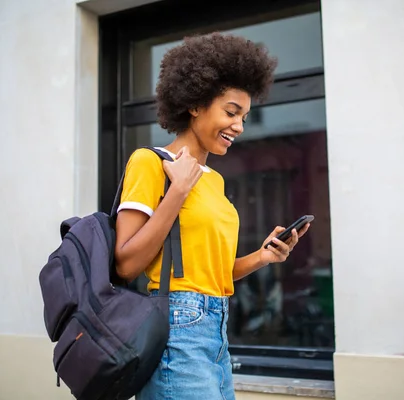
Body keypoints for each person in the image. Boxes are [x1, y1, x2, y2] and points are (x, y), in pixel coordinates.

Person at [114, 32, 311, 400]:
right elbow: (126, 264)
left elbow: (209, 274)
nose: (239, 126)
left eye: (245, 117)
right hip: (177, 331)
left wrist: (263, 256)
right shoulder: (150, 163)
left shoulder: (216, 181)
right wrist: (178, 190)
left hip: (217, 331)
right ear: (195, 104)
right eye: (231, 112)